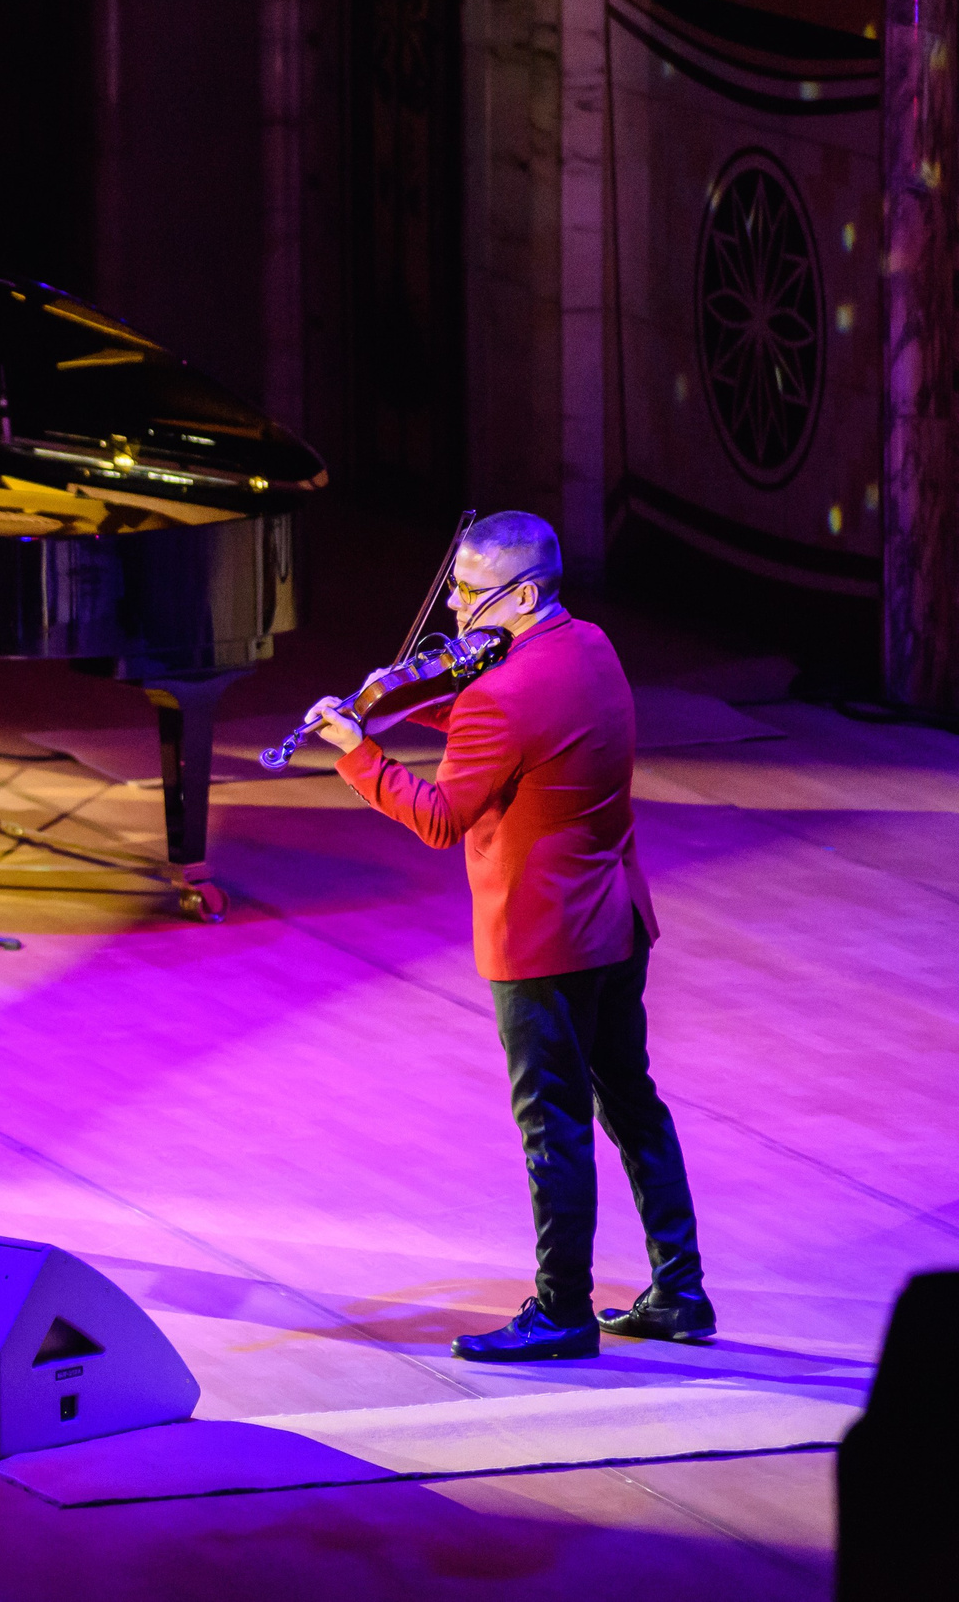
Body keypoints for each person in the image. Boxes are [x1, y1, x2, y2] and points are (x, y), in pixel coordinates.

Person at [306, 510, 711, 1363]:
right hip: (616, 921)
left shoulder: (498, 695)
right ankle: (680, 1288)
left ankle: (563, 1310)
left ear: (521, 594)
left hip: (540, 942)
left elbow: (440, 815)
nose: (454, 610)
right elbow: (521, 731)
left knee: (552, 1125)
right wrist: (407, 707)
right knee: (631, 1101)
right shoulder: (590, 647)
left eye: (468, 593)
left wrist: (356, 752)